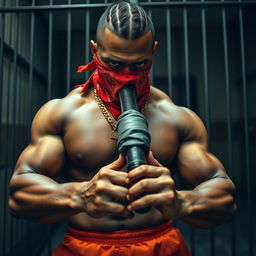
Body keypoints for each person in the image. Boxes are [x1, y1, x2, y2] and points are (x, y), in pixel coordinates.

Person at [8, 1, 236, 255]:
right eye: (114, 64)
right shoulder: (62, 113)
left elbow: (225, 199)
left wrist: (182, 202)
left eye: (139, 64)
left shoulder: (176, 118)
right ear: (94, 51)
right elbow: (19, 197)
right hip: (86, 246)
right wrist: (80, 195)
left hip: (160, 245)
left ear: (153, 52)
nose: (126, 75)